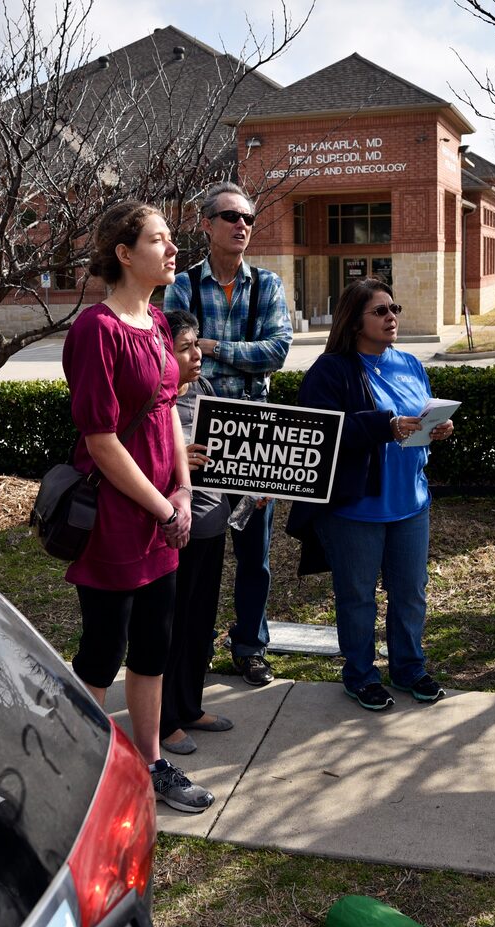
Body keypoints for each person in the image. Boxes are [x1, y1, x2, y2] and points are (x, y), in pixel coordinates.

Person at [61, 200, 213, 813]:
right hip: (118, 522)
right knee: (103, 650)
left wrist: (181, 490)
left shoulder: (155, 323)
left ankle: (151, 761)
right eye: (159, 240)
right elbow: (100, 441)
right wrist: (160, 506)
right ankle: (79, 762)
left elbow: (167, 415)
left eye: (171, 239)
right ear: (125, 255)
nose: (173, 250)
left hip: (161, 515)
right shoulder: (95, 330)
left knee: (154, 644)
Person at [285, 278, 453, 711]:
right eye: (380, 311)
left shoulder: (409, 363)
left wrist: (436, 427)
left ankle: (409, 668)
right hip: (355, 507)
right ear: (354, 320)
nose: (391, 317)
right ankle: (360, 674)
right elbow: (318, 432)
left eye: (393, 308)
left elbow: (419, 414)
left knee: (411, 591)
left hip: (410, 501)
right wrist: (386, 426)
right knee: (358, 596)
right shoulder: (330, 370)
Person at [162, 182, 292, 687]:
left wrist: (213, 347)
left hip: (257, 433)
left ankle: (249, 645)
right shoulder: (184, 286)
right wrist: (241, 351)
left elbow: (278, 351)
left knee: (255, 552)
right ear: (206, 225)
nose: (242, 226)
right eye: (232, 217)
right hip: (201, 431)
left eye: (249, 219)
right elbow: (175, 353)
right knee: (197, 546)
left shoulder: (268, 285)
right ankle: (186, 645)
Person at [158, 309, 234, 756]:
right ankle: (165, 720)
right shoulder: (155, 401)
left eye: (197, 345)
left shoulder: (204, 390)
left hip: (212, 525)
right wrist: (178, 457)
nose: (197, 355)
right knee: (172, 627)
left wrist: (255, 481)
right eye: (185, 347)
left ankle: (190, 705)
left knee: (201, 623)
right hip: (174, 532)